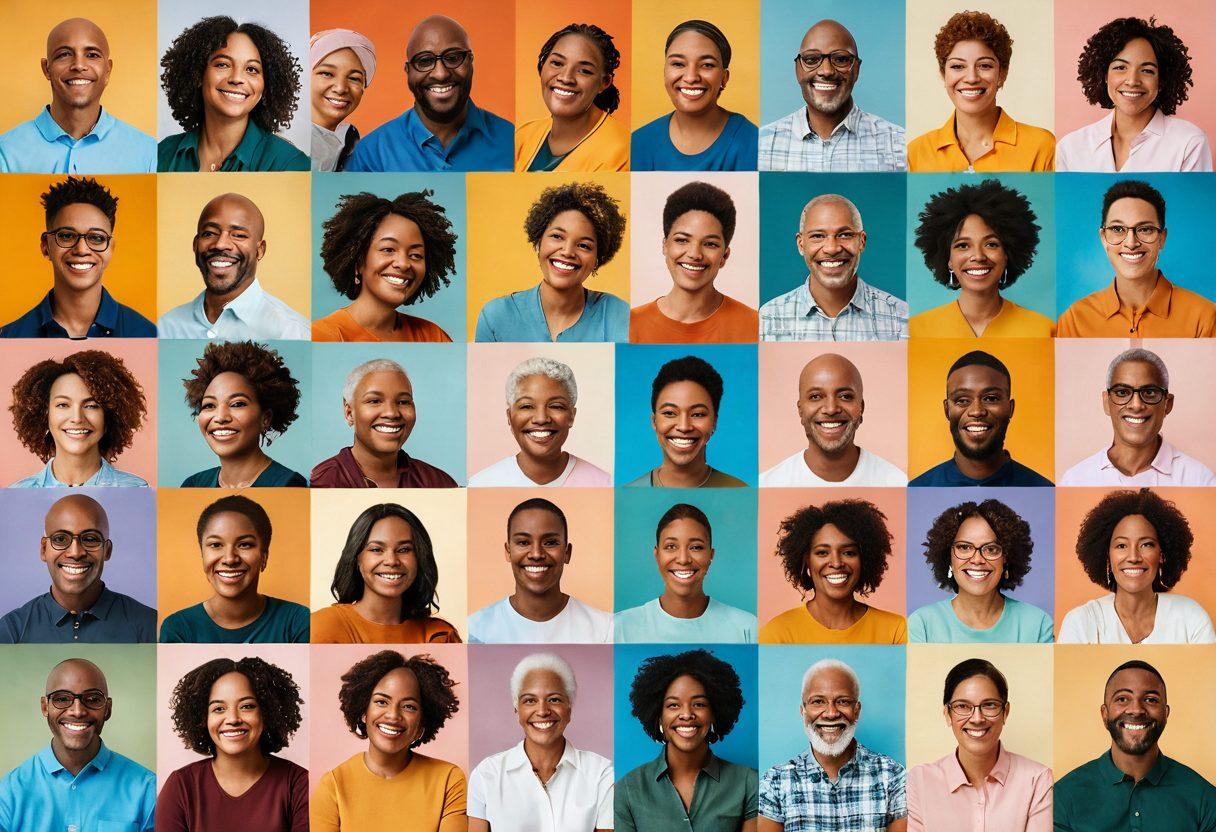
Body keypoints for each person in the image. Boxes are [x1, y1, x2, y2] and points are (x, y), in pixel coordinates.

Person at [310, 651, 467, 831]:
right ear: (364, 712)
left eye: (409, 706)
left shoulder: (448, 780)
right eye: (382, 702)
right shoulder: (334, 785)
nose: (393, 715)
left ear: (421, 724)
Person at [1054, 660, 1216, 830]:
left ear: (1166, 714)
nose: (1136, 709)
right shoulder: (1063, 797)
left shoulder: (1204, 798)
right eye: (1122, 699)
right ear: (1105, 714)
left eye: (1150, 700)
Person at [0, 658, 155, 831]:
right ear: (45, 707)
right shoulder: (8, 793)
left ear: (108, 709)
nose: (78, 711)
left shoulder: (147, 789)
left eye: (93, 699)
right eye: (62, 698)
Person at [156, 657, 308, 831]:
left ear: (266, 712)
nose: (233, 719)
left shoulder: (298, 784)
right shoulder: (181, 786)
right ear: (202, 719)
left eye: (247, 706)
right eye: (218, 709)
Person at [346, 15, 513, 172]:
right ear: (408, 71)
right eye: (425, 61)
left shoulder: (513, 141)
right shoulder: (372, 153)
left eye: (453, 58)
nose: (440, 74)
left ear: (470, 62)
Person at [468, 653, 613, 832]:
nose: (543, 711)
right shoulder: (486, 775)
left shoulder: (601, 774)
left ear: (569, 707)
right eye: (530, 700)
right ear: (517, 708)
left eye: (554, 699)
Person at [616, 649, 758, 831]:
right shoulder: (627, 790)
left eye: (699, 704)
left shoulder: (748, 783)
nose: (686, 715)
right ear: (658, 716)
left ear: (714, 713)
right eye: (673, 705)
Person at [759, 659, 906, 831]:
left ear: (857, 710)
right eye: (818, 701)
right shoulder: (774, 782)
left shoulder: (893, 776)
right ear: (803, 711)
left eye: (843, 701)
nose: (831, 713)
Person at [1057, 179, 1216, 337]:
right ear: (1103, 238)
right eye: (1118, 229)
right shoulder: (1074, 320)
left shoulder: (1205, 317)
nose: (1131, 243)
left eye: (1145, 229)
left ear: (1162, 238)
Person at [906, 659, 1052, 831]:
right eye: (962, 706)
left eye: (989, 705)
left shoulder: (1037, 780)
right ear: (947, 714)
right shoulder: (919, 781)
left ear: (1005, 712)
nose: (977, 718)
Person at [2, 176, 155, 338]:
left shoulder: (148, 333)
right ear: (45, 246)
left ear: (110, 248)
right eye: (67, 236)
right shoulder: (8, 337)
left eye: (96, 237)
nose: (81, 249)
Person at [475, 181, 629, 342]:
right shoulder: (496, 316)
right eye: (557, 236)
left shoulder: (618, 314)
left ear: (598, 259)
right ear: (538, 243)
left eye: (584, 245)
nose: (567, 252)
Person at [1058, 488, 1215, 644]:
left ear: (1162, 554)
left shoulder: (1190, 617)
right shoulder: (1080, 622)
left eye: (1146, 544)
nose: (1133, 557)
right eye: (1121, 546)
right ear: (1107, 555)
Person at [0, 18, 156, 173]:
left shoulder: (148, 153)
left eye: (92, 55)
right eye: (64, 54)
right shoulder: (6, 151)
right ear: (46, 69)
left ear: (108, 70)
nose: (79, 65)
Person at [1057, 17, 1212, 172]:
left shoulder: (1189, 143)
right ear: (1104, 75)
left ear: (1162, 79)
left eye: (1147, 70)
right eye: (1120, 67)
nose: (1132, 81)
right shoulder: (1071, 148)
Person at [907, 12, 1055, 173]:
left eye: (984, 65)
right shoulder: (916, 153)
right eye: (957, 66)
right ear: (943, 74)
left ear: (1002, 73)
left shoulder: (1042, 147)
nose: (971, 78)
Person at [158, 16, 309, 171]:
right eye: (223, 64)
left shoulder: (290, 163)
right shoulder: (163, 153)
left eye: (251, 69)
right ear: (198, 75)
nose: (237, 78)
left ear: (266, 85)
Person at [0, 494, 156, 643]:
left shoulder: (148, 625)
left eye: (89, 539)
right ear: (43, 549)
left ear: (107, 551)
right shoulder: (12, 631)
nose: (75, 553)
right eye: (60, 539)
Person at [910, 179, 1054, 338]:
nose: (978, 256)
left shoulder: (1043, 330)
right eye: (963, 245)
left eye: (991, 244)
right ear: (948, 259)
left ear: (1007, 255)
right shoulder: (915, 331)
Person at [157, 193, 311, 339]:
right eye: (209, 233)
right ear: (195, 245)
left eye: (238, 235)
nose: (220, 244)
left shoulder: (291, 331)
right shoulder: (167, 327)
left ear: (260, 250)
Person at [759, 19, 906, 172]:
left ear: (856, 69)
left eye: (841, 59)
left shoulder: (897, 144)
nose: (826, 71)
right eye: (811, 59)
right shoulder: (762, 145)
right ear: (798, 69)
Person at [159, 495, 310, 643]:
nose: (230, 559)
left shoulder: (298, 621)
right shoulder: (178, 628)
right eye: (216, 545)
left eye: (244, 544)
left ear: (264, 557)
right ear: (203, 555)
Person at [760, 194, 908, 341]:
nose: (832, 248)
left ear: (861, 241)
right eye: (818, 236)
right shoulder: (768, 318)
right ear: (801, 244)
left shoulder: (902, 317)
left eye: (844, 235)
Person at [313, 190, 457, 342]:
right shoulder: (323, 335)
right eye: (388, 250)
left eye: (416, 255)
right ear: (358, 261)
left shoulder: (434, 336)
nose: (403, 264)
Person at [1060, 348, 1216, 486]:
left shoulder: (1200, 480)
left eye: (1149, 392)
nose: (1136, 405)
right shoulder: (1075, 479)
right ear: (1106, 402)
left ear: (1168, 403)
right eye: (1122, 392)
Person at [310, 503, 461, 644]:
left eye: (404, 550)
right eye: (376, 549)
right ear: (357, 558)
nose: (391, 561)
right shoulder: (322, 626)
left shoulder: (440, 635)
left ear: (420, 558)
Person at [760, 500, 907, 644]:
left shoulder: (896, 630)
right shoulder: (778, 634)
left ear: (864, 559)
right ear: (806, 560)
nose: (836, 563)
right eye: (823, 552)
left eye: (849, 553)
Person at [468, 498, 611, 643]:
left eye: (550, 543)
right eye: (524, 542)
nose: (536, 554)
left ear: (567, 553)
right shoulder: (476, 629)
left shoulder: (604, 629)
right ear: (508, 551)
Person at [908, 500, 1054, 643]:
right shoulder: (922, 624)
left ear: (1006, 558)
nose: (977, 559)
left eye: (991, 549)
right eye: (964, 547)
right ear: (948, 557)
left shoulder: (1038, 624)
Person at [630, 181, 759, 342]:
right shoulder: (629, 325)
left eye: (710, 244)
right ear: (665, 246)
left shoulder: (755, 325)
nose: (694, 254)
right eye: (682, 240)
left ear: (724, 256)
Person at [615, 503, 757, 643]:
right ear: (657, 555)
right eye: (671, 546)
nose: (683, 559)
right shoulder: (620, 627)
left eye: (696, 547)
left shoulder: (747, 628)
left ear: (711, 555)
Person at [909, 350, 1053, 487]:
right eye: (962, 400)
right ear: (947, 410)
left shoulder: (1044, 488)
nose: (977, 411)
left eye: (990, 398)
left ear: (1010, 408)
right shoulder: (918, 487)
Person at [760, 354, 906, 486]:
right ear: (800, 410)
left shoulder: (897, 481)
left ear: (861, 408)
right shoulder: (768, 483)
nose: (831, 409)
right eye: (815, 396)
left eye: (845, 396)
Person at [310, 358, 459, 488]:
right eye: (374, 401)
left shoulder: (439, 483)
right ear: (349, 413)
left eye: (403, 402)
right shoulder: (322, 482)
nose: (392, 413)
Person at [632, 20, 758, 171]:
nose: (691, 77)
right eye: (678, 64)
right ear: (665, 71)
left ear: (724, 78)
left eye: (707, 65)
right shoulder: (638, 142)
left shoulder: (752, 142)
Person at [9, 350, 148, 487]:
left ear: (109, 416)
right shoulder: (14, 495)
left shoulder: (138, 489)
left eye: (91, 406)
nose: (77, 418)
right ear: (44, 415)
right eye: (63, 405)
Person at [180, 341, 307, 487]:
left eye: (237, 404)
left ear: (265, 419)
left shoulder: (288, 484)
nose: (220, 417)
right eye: (209, 405)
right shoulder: (193, 485)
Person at [468, 357, 610, 487]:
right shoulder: (481, 483)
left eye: (556, 406)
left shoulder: (604, 484)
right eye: (527, 406)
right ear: (509, 417)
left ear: (571, 416)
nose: (541, 419)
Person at [515, 23, 629, 172]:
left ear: (604, 82)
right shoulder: (523, 136)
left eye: (584, 71)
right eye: (557, 63)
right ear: (542, 65)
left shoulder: (623, 153)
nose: (566, 78)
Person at [627, 355, 746, 487]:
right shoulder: (627, 493)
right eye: (669, 413)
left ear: (714, 422)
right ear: (654, 421)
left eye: (698, 414)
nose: (684, 427)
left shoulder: (741, 489)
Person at [310, 28, 375, 172]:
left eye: (354, 78)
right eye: (327, 73)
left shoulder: (349, 138)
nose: (341, 88)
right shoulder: (289, 143)